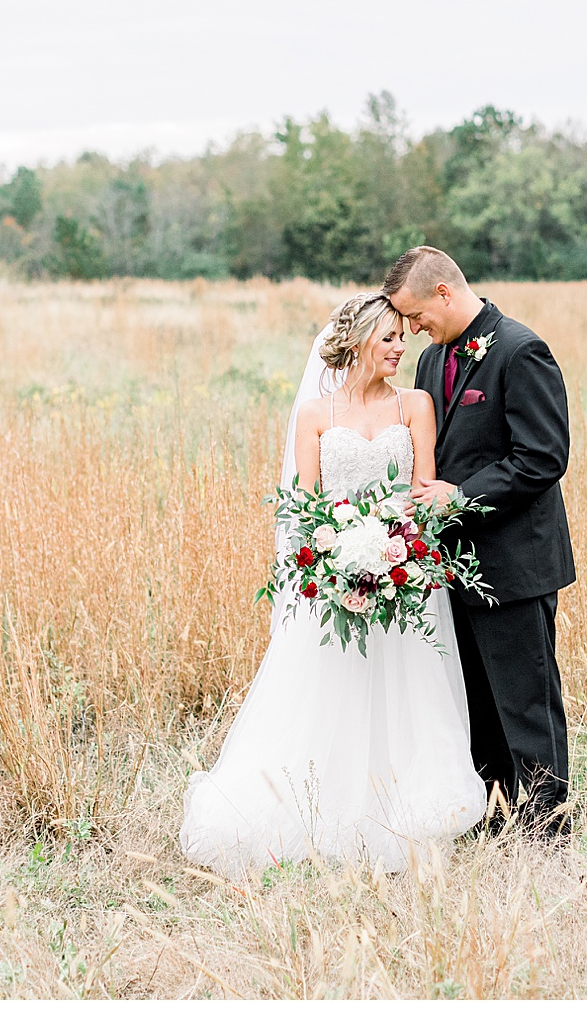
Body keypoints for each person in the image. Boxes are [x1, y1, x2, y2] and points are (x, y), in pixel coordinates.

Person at [179, 292, 487, 877]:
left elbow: (426, 493)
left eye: (405, 335)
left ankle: (406, 815)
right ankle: (321, 812)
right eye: (391, 337)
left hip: (406, 579)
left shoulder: (415, 406)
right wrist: (334, 561)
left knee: (407, 692)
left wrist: (404, 553)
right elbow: (305, 507)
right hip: (335, 583)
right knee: (330, 696)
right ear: (360, 340)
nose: (402, 347)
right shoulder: (317, 414)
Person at [383, 246, 577, 837]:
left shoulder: (520, 351)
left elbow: (542, 458)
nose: (411, 330)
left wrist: (459, 495)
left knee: (526, 701)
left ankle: (548, 830)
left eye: (415, 316)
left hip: (514, 563)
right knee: (474, 704)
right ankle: (493, 820)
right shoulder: (428, 363)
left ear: (443, 293)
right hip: (449, 567)